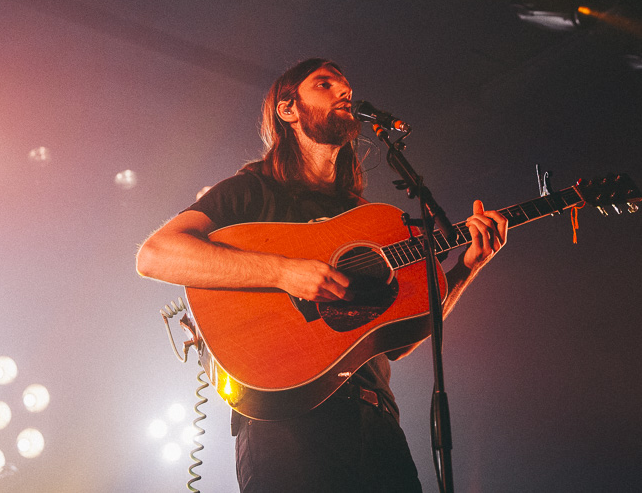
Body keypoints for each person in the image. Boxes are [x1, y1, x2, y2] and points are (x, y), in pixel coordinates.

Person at [137, 58, 508, 493]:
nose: (343, 92)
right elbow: (156, 254)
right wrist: (283, 272)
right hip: (286, 429)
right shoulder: (251, 191)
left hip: (376, 424)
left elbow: (399, 341)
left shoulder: (364, 222)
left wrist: (466, 268)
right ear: (288, 109)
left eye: (346, 86)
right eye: (325, 84)